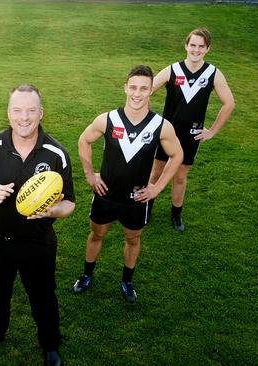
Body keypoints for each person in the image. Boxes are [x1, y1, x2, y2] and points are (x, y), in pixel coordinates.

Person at [0, 85, 75, 366]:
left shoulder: (56, 153)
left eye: (30, 110)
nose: (23, 117)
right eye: (17, 110)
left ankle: (50, 345)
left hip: (39, 242)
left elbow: (70, 203)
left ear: (41, 113)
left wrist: (53, 210)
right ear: (8, 113)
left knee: (43, 297)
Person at [71, 65, 183, 304]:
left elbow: (178, 156)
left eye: (143, 88)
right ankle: (87, 275)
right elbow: (84, 140)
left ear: (151, 90)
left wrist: (157, 187)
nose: (137, 93)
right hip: (105, 195)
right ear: (125, 88)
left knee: (132, 239)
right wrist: (90, 174)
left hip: (137, 199)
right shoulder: (108, 119)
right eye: (133, 87)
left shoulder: (160, 126)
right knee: (96, 234)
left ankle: (127, 281)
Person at [149, 27, 235, 232]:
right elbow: (146, 90)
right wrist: (150, 121)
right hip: (166, 134)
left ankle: (176, 215)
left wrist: (212, 131)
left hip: (190, 136)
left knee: (179, 176)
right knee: (155, 173)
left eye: (201, 46)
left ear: (207, 49)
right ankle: (146, 208)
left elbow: (229, 103)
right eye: (192, 45)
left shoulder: (213, 73)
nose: (196, 50)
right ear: (186, 46)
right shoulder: (173, 70)